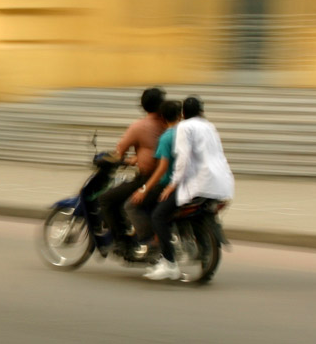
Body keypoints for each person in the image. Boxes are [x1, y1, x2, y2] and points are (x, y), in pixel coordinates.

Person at [144, 96, 234, 280]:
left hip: (199, 183)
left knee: (158, 215)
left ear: (183, 113)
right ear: (202, 111)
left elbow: (182, 159)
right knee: (196, 213)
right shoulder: (210, 126)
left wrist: (172, 184)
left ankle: (169, 264)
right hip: (221, 182)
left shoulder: (184, 127)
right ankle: (202, 254)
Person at [92, 87, 166, 253]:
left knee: (106, 199)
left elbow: (119, 151)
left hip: (148, 179)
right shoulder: (167, 123)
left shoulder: (139, 126)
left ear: (143, 105)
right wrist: (136, 160)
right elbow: (154, 152)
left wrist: (114, 159)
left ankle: (122, 242)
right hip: (165, 175)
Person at [123, 99, 182, 256]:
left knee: (131, 205)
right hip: (184, 182)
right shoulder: (186, 133)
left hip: (167, 183)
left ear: (162, 118)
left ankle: (149, 242)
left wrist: (144, 189)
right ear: (180, 115)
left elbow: (162, 168)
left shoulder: (166, 138)